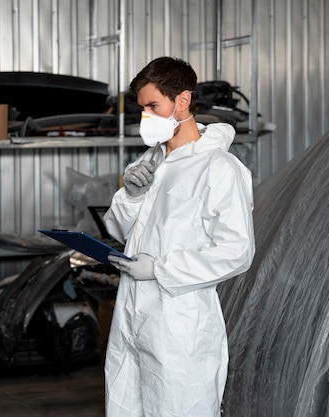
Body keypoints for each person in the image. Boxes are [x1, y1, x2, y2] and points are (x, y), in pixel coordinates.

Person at [103, 56, 256, 417]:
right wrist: (132, 194)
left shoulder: (219, 169)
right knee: (124, 405)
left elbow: (237, 251)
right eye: (142, 109)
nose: (147, 117)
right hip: (130, 317)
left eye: (153, 106)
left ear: (182, 101)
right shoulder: (151, 161)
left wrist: (159, 269)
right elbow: (116, 228)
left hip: (179, 327)